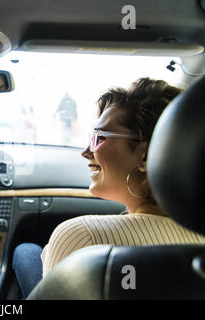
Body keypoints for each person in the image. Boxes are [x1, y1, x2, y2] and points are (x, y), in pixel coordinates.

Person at [12, 77, 205, 298]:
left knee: (25, 252)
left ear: (146, 155)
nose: (85, 151)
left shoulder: (82, 237)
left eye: (99, 137)